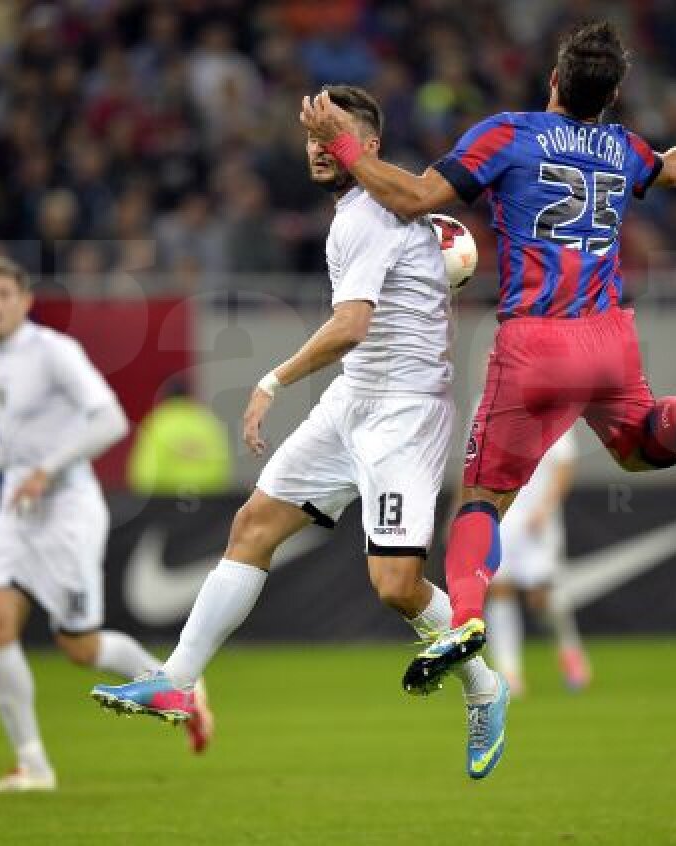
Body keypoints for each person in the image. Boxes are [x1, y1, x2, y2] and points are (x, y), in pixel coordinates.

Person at [300, 21, 676, 691]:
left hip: (535, 343)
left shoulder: (509, 134)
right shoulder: (622, 146)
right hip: (610, 339)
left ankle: (466, 618)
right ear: (611, 97)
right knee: (645, 449)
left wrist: (342, 144)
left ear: (554, 80)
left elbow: (411, 198)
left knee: (480, 502)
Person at [89, 85, 509, 780]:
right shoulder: (369, 207)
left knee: (397, 586)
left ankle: (485, 688)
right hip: (353, 403)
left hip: (404, 414)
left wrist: (271, 381)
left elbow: (353, 325)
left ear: (367, 145)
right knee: (253, 525)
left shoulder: (369, 212)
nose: (318, 145)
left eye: (333, 133)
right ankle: (178, 679)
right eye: (312, 133)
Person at [0, 257, 213, 794]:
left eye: (1, 294)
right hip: (19, 512)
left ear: (25, 300)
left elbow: (107, 420)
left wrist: (45, 470)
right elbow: (19, 446)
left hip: (69, 512)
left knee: (79, 647)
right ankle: (32, 764)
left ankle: (180, 686)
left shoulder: (54, 353)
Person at [485, 428, 589, 695]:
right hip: (500, 517)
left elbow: (565, 463)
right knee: (499, 589)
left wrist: (546, 507)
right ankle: (508, 673)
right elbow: (474, 463)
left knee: (540, 598)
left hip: (538, 521)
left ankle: (569, 650)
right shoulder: (482, 405)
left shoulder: (553, 409)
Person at [127, 377, 231, 496]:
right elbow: (221, 461)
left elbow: (146, 466)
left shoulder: (158, 422)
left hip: (166, 497)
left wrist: (143, 494)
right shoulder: (206, 422)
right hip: (206, 495)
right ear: (190, 396)